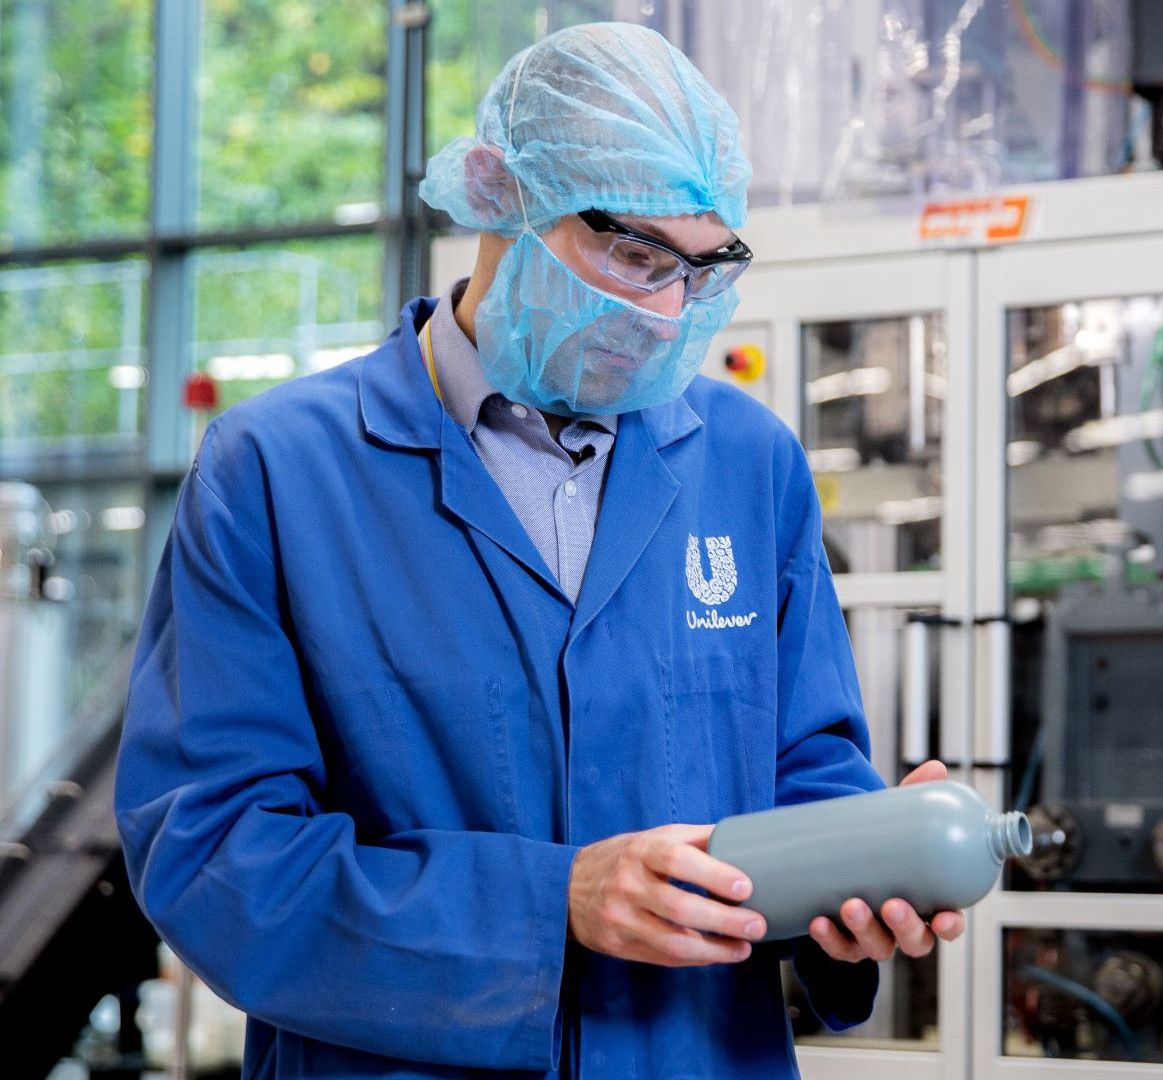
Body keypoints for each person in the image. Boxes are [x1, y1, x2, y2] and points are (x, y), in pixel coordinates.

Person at [115, 23, 963, 1079]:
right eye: (634, 255)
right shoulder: (278, 473)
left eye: (701, 271)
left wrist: (859, 872)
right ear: (498, 195)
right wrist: (547, 907)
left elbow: (805, 767)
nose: (665, 314)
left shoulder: (749, 463)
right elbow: (211, 854)